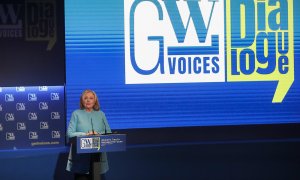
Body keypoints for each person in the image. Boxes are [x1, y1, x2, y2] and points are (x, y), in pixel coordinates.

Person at [66, 89, 112, 180]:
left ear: (95, 100)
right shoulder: (76, 114)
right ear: (82, 100)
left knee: (96, 178)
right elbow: (70, 133)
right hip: (80, 157)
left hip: (97, 155)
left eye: (91, 98)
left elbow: (109, 133)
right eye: (85, 98)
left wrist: (98, 134)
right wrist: (85, 134)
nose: (88, 100)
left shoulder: (101, 114)